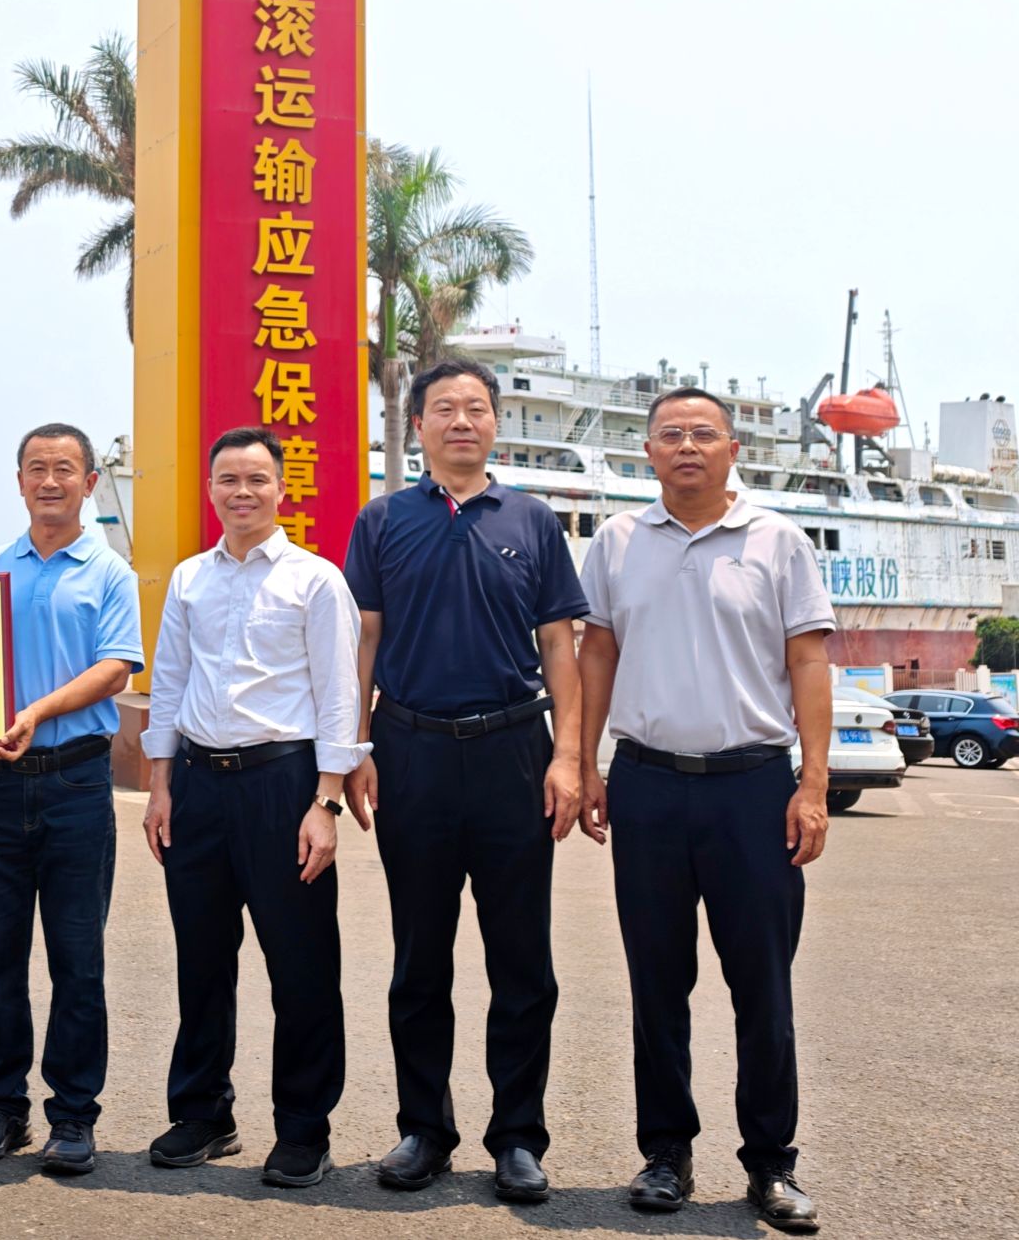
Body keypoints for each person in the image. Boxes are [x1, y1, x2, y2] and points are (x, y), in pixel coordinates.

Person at [577, 387, 831, 1236]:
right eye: (670, 434)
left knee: (763, 985)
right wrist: (585, 762)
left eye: (703, 433)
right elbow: (598, 651)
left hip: (753, 787)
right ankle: (665, 1153)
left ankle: (771, 1163)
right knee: (657, 981)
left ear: (733, 449)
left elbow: (808, 662)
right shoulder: (617, 540)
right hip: (646, 783)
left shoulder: (778, 540)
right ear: (648, 451)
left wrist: (813, 784)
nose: (686, 445)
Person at [340, 358, 588, 1204]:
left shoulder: (532, 520)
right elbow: (364, 640)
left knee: (523, 959)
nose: (460, 420)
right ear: (417, 426)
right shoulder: (382, 520)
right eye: (443, 407)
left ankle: (517, 1136)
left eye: (475, 407)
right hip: (411, 751)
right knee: (419, 956)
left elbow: (560, 646)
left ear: (494, 422)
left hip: (514, 750)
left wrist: (568, 756)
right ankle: (425, 1128)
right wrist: (356, 745)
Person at [140, 426, 365, 1191]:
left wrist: (325, 800)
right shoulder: (189, 579)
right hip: (198, 784)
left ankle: (303, 1128)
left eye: (257, 479)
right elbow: (169, 682)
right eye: (229, 479)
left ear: (281, 489)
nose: (242, 492)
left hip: (283, 784)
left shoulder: (315, 579)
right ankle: (204, 1112)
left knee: (301, 963)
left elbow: (339, 693)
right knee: (202, 959)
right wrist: (161, 784)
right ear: (211, 489)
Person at [0, 422, 143, 1177]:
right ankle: (0, 1107)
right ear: (20, 481)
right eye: (37, 468)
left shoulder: (110, 571)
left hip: (75, 780)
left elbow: (117, 668)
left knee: (77, 959)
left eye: (65, 468)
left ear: (90, 482)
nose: (50, 480)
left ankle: (73, 1115)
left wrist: (36, 712)